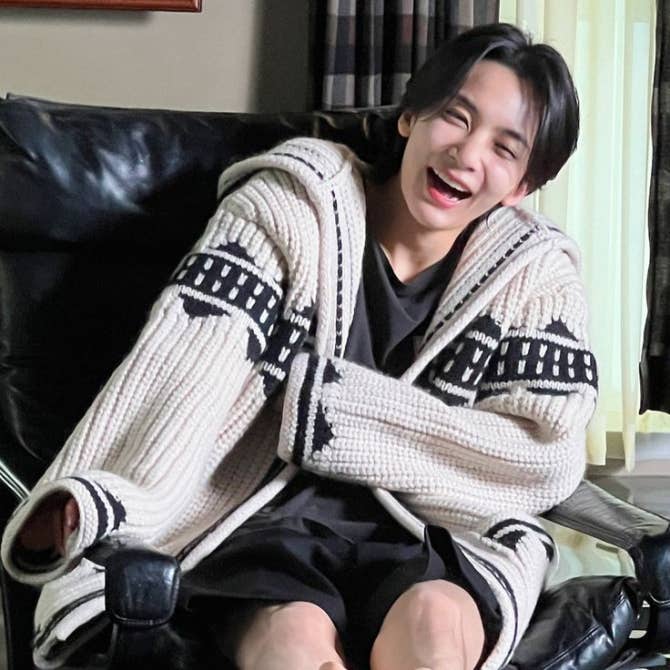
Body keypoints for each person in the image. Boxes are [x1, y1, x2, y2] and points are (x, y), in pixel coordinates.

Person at [1, 22, 596, 670]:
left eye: (505, 148)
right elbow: (186, 370)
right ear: (410, 117)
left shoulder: (536, 276)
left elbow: (545, 458)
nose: (466, 154)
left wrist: (336, 415)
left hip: (434, 535)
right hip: (266, 525)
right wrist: (104, 501)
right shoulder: (291, 206)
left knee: (434, 637)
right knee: (293, 647)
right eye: (456, 117)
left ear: (522, 185)